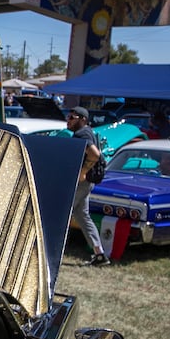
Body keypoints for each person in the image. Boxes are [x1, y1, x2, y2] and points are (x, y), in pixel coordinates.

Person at [67, 107, 111, 266]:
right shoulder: (88, 132)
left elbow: (94, 154)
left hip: (82, 182)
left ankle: (49, 248)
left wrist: (83, 171)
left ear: (83, 119)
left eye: (73, 117)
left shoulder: (82, 134)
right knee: (82, 216)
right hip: (86, 183)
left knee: (63, 213)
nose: (69, 119)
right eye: (68, 116)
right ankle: (99, 254)